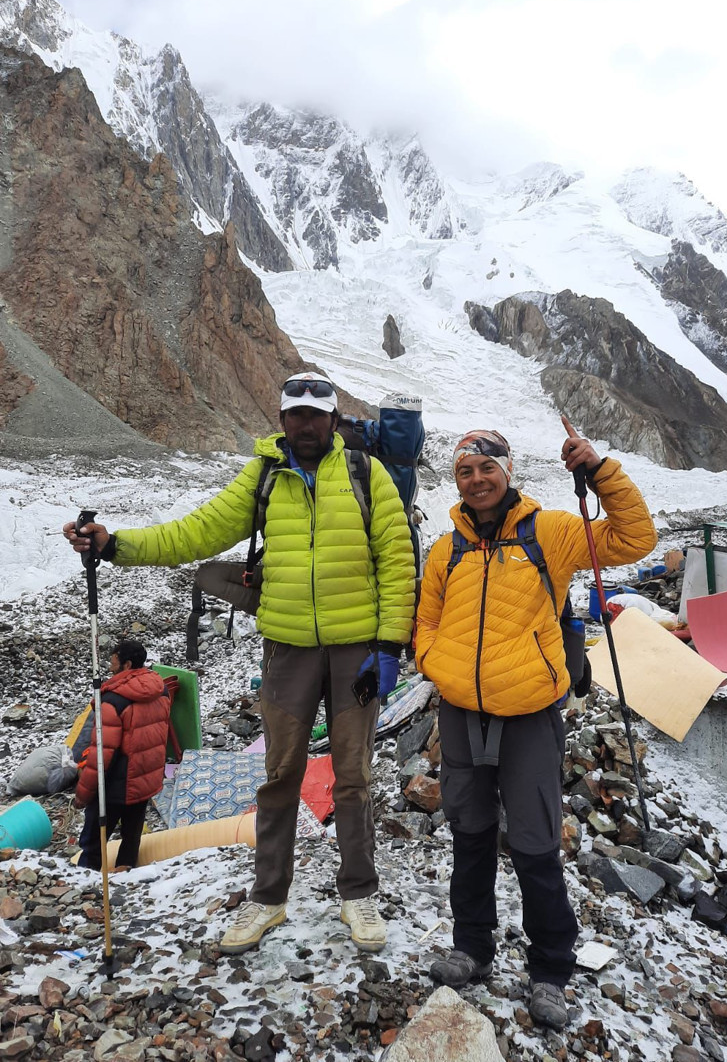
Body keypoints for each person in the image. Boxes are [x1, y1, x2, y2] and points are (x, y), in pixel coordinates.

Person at [64, 372, 415, 955]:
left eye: (316, 414)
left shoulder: (365, 473)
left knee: (353, 776)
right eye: (295, 414)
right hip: (285, 649)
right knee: (279, 777)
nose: (306, 424)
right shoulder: (264, 479)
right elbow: (198, 531)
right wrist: (116, 545)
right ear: (282, 421)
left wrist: (389, 645)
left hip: (357, 649)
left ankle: (359, 892)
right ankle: (269, 897)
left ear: (333, 419)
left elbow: (397, 560)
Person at [414, 418, 657, 1030]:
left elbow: (635, 537)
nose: (475, 480)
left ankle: (551, 969)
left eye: (486, 468)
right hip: (463, 713)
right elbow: (427, 619)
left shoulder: (549, 531)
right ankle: (472, 946)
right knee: (469, 835)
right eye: (465, 471)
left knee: (535, 845)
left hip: (528, 715)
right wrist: (434, 663)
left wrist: (599, 473)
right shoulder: (446, 549)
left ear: (507, 470)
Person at [75, 640, 171, 871]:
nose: (110, 666)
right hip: (146, 780)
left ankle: (89, 888)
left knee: (92, 844)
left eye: (113, 660)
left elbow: (101, 757)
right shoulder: (162, 690)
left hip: (115, 785)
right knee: (131, 838)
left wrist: (83, 795)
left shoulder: (112, 701)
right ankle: (126, 880)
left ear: (126, 664)